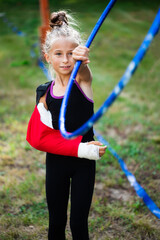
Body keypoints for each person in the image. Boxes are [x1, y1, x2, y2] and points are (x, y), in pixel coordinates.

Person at [31, 10, 107, 240]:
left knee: (78, 224)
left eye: (71, 54)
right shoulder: (44, 93)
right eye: (59, 54)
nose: (65, 60)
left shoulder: (82, 82)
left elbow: (83, 72)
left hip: (84, 164)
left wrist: (81, 59)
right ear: (48, 57)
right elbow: (41, 135)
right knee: (56, 222)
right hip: (56, 162)